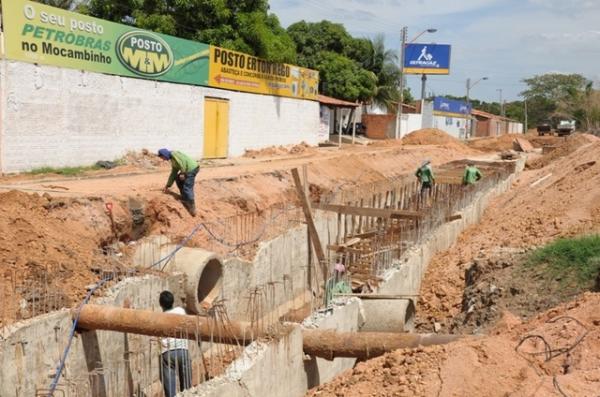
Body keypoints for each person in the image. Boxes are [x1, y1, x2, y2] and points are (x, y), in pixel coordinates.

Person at [159, 290, 192, 397]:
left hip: (168, 353)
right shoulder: (180, 311)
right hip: (183, 350)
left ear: (160, 304)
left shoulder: (160, 317)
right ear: (172, 301)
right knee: (187, 388)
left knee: (170, 388)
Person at [158, 149, 199, 216]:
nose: (163, 159)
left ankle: (192, 208)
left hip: (192, 169)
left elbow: (182, 162)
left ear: (164, 154)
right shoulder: (173, 160)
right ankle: (184, 197)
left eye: (162, 157)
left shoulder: (174, 154)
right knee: (177, 178)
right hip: (186, 170)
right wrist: (168, 185)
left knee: (187, 186)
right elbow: (173, 173)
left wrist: (182, 173)